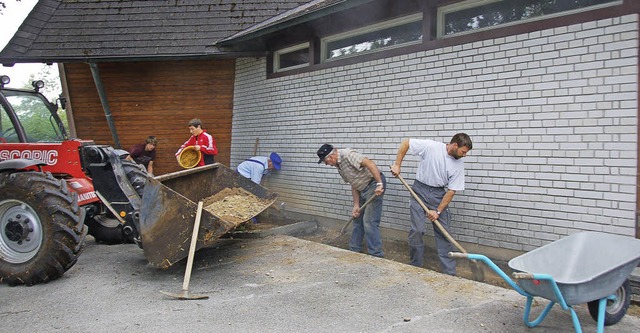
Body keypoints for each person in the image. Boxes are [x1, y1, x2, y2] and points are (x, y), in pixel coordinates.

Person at [390, 133, 472, 276]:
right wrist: (397, 164)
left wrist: (438, 211)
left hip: (439, 195)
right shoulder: (432, 147)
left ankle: (449, 273)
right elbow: (406, 143)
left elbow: (451, 191)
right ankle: (415, 266)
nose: (464, 155)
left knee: (444, 234)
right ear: (454, 145)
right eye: (463, 152)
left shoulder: (459, 164)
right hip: (419, 190)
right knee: (417, 230)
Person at [317, 144, 385, 258]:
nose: (326, 164)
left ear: (331, 157)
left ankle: (376, 255)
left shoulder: (348, 155)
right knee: (357, 218)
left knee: (369, 221)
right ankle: (354, 249)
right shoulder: (339, 166)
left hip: (373, 184)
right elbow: (354, 184)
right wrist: (356, 205)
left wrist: (379, 184)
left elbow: (370, 164)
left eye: (325, 161)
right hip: (362, 188)